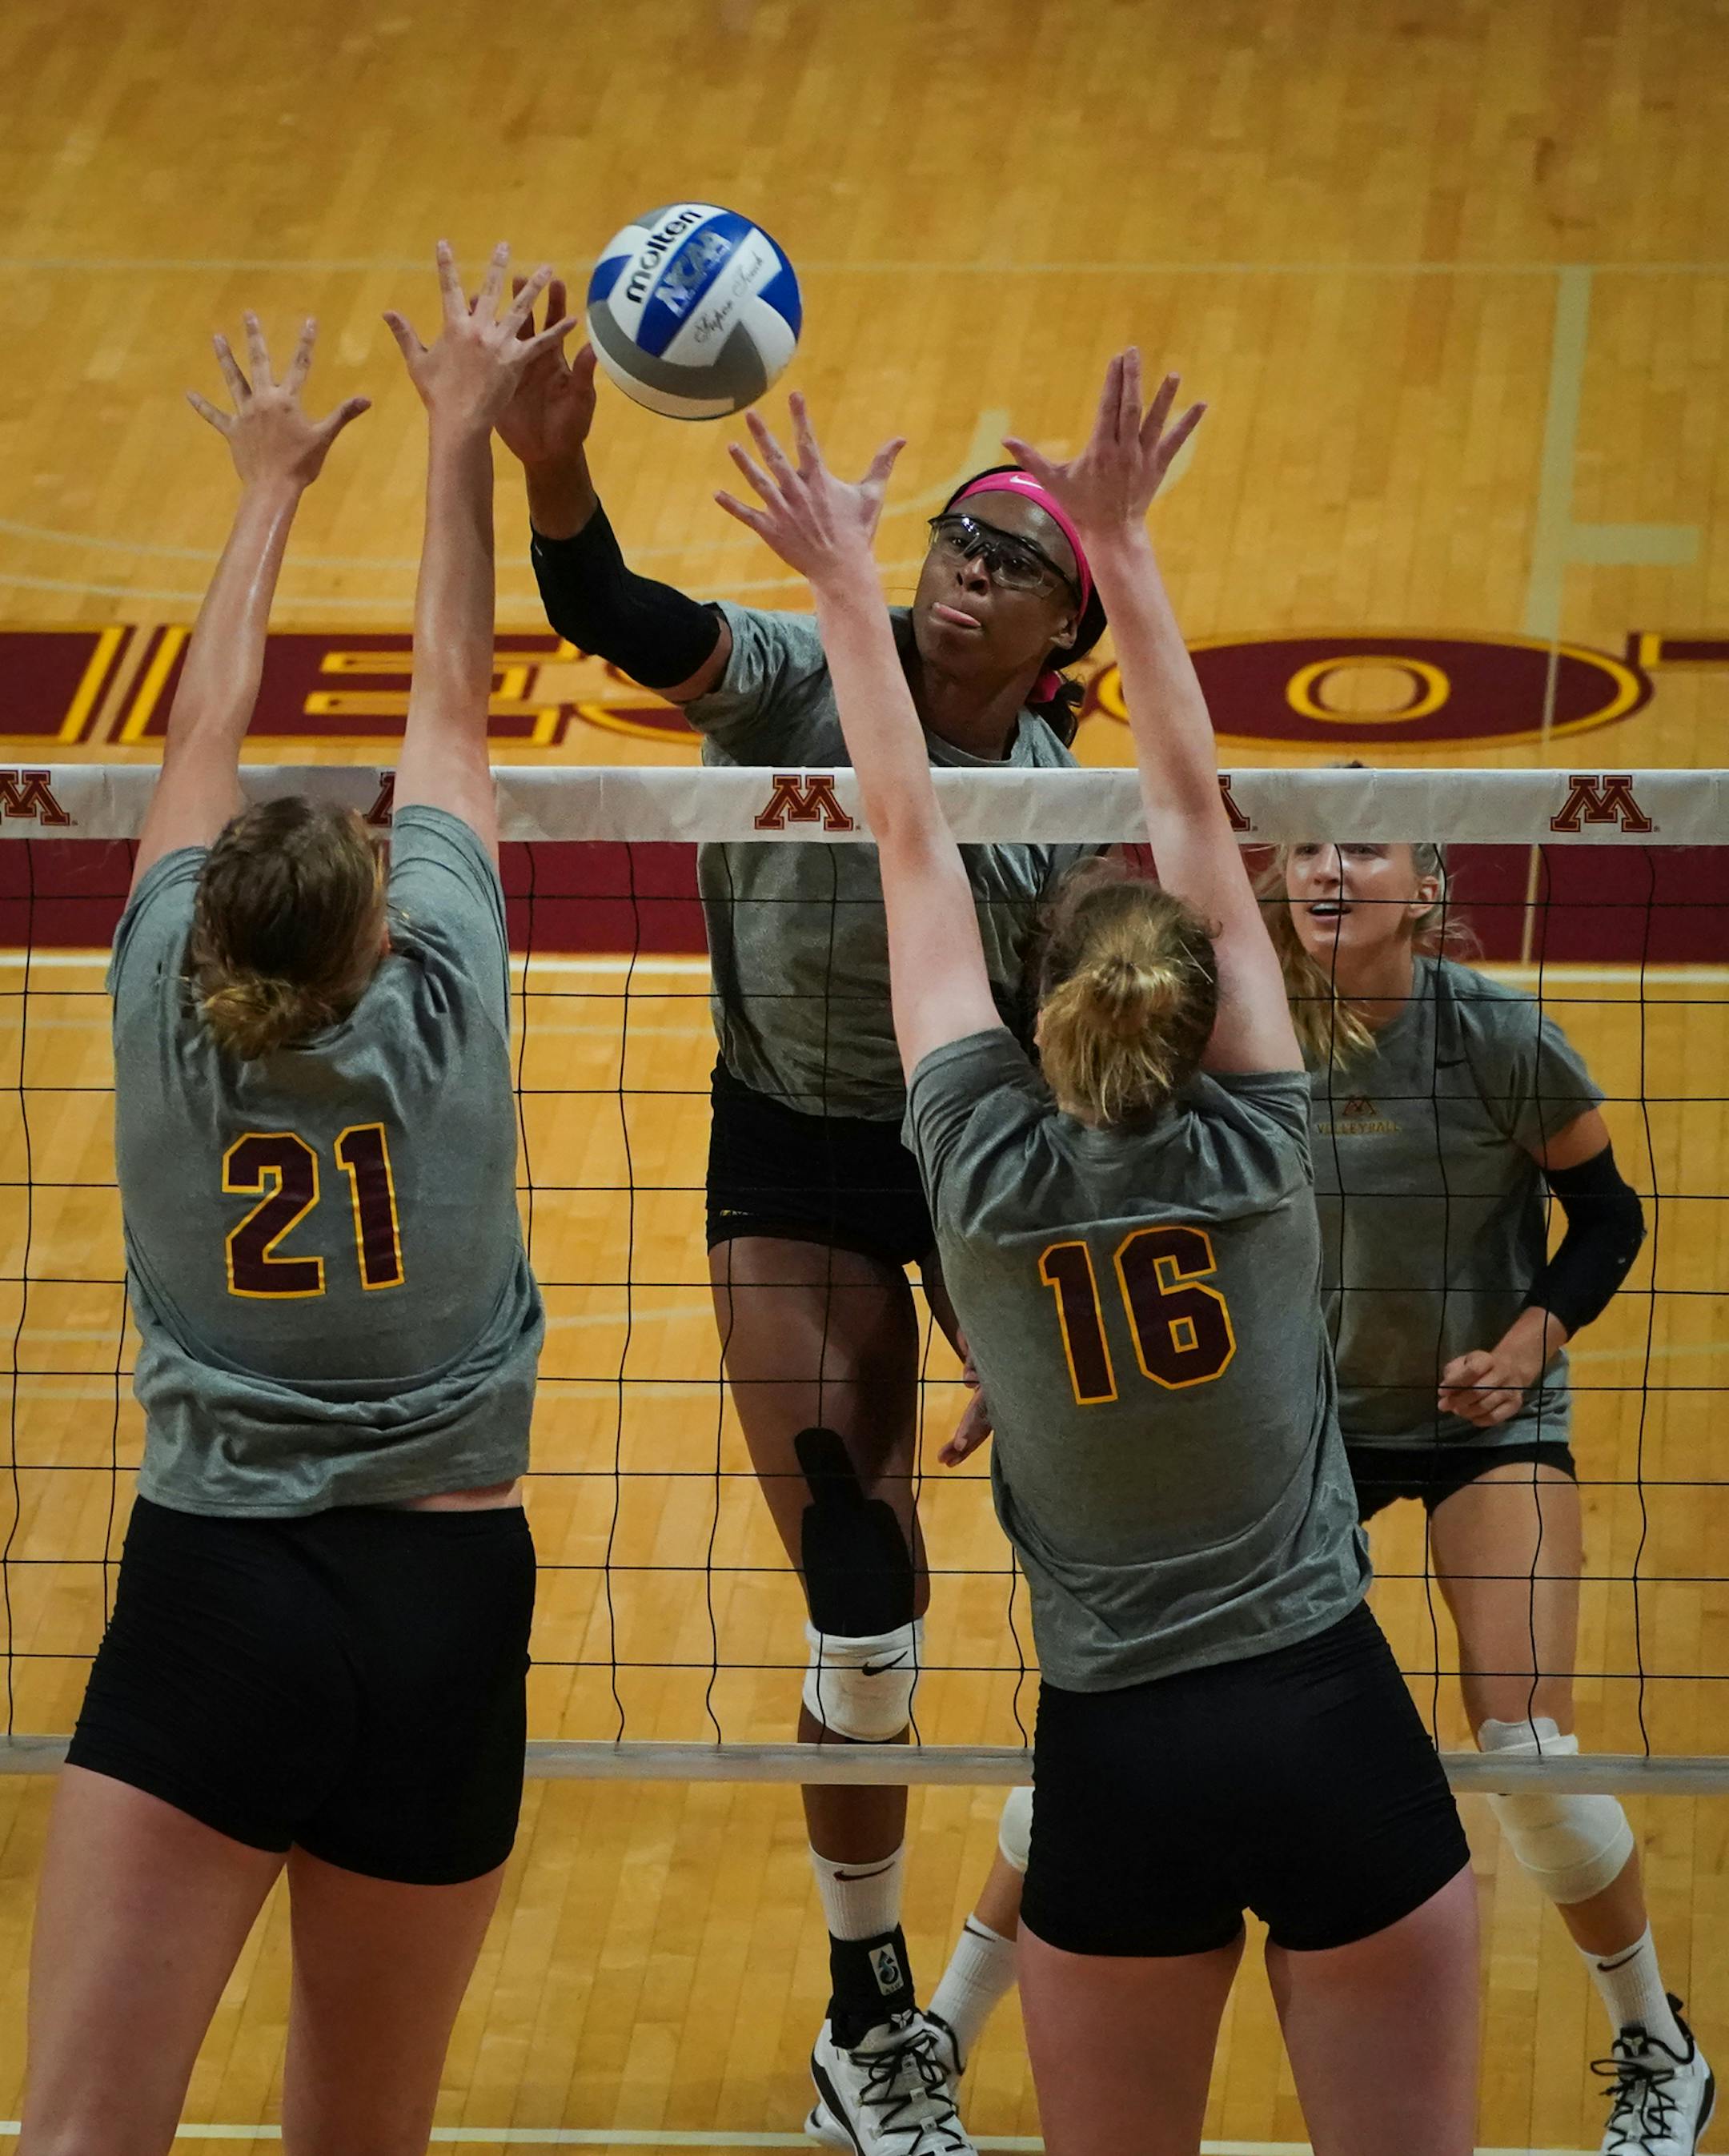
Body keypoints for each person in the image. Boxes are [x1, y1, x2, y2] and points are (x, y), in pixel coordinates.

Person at [714, 355, 1480, 2156]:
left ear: (1028, 1012)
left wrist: (842, 589)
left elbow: (910, 832)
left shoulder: (971, 1171)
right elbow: (1202, 823)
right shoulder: (1264, 1148)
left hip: (1117, 1764)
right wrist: (1125, 550)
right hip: (1328, 1723)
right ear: (1213, 1009)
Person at [496, 286, 1105, 2155]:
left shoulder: (1055, 810)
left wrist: (1046, 1290)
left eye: (1014, 562)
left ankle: (1084, 1891)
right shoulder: (786, 671)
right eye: (956, 540)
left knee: (1123, 1579)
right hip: (790, 1148)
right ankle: (866, 2017)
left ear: (1067, 626)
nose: (968, 575)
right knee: (862, 1574)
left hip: (979, 1153)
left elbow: (1081, 1061)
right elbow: (614, 616)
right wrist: (558, 457)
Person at [19, 244, 568, 2156]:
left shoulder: (165, 1013)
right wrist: (462, 440)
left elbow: (192, 748)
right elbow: (452, 704)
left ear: (207, 937)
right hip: (447, 1602)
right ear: (381, 925)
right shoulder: (450, 1013)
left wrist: (262, 489)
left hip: (219, 1591)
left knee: (88, 2135)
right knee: (366, 2139)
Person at [1262, 833, 1713, 2156]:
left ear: (1429, 889)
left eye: (1364, 850)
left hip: (1481, 1424)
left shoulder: (1501, 1035)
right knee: (1162, 1711)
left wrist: (1528, 1344)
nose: (1329, 872)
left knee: (1527, 1758)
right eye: (1306, 850)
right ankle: (931, 2018)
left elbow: (1611, 1217)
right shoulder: (1247, 1024)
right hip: (1309, 1430)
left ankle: (1659, 2047)